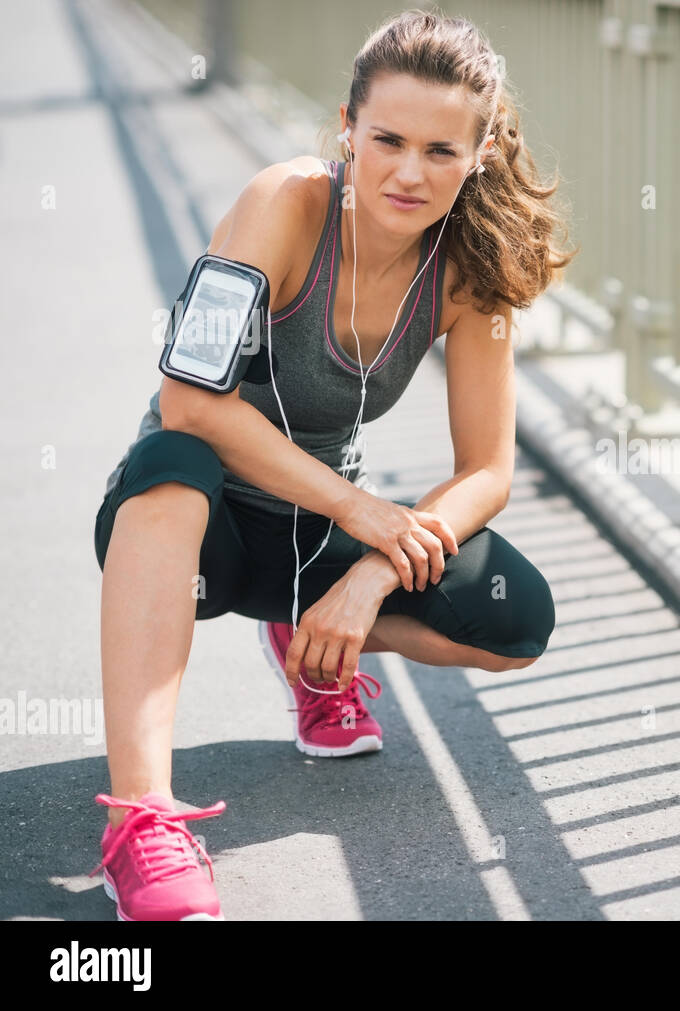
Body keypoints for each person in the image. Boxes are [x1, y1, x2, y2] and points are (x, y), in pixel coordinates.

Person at [89, 7, 575, 920]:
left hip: (316, 537)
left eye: (441, 150)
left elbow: (487, 472)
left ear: (477, 156)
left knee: (515, 620)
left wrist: (372, 575)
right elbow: (192, 400)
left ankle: (312, 643)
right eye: (387, 138)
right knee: (173, 459)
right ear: (347, 128)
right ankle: (143, 821)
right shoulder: (284, 204)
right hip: (194, 532)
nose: (408, 171)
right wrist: (364, 512)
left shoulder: (469, 268)